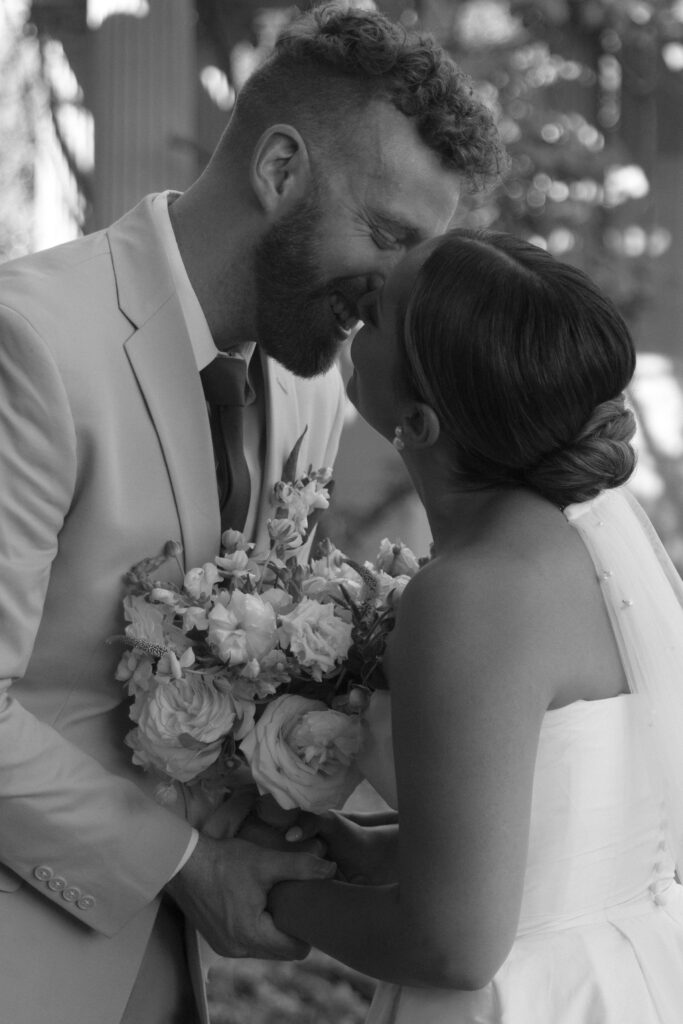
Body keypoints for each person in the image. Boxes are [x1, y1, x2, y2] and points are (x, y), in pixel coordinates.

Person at [0, 4, 504, 1023]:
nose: (396, 290)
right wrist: (183, 862)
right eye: (386, 232)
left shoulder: (310, 382)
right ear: (278, 172)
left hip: (173, 973)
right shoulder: (32, 342)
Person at [265, 229, 683, 1023]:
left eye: (382, 315)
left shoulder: (473, 596)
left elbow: (451, 947)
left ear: (419, 425)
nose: (359, 301)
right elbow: (557, 833)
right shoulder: (579, 552)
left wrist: (264, 894)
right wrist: (362, 852)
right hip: (623, 976)